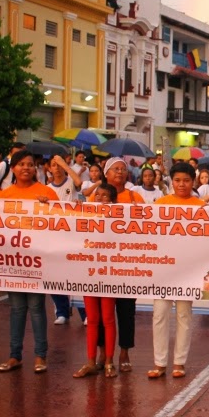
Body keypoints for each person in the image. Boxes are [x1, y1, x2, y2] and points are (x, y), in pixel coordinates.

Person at [0, 149, 57, 373]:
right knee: (17, 308)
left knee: (36, 307)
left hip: (37, 260)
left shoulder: (46, 193)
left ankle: (40, 356)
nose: (26, 168)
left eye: (30, 164)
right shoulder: (4, 195)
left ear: (36, 169)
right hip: (13, 260)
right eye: (21, 164)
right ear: (13, 168)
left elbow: (60, 223)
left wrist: (48, 208)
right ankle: (15, 355)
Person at [148, 162, 205, 380]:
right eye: (178, 180)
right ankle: (159, 363)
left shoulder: (201, 206)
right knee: (159, 314)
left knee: (184, 315)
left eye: (186, 180)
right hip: (164, 268)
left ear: (194, 182)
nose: (182, 184)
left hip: (188, 270)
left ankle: (179, 362)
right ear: (171, 181)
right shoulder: (160, 204)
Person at [98, 157, 145, 372]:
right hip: (101, 261)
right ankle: (103, 351)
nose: (119, 172)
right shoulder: (97, 196)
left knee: (126, 310)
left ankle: (124, 351)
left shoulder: (135, 197)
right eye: (115, 169)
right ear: (106, 173)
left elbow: (148, 224)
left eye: (123, 169)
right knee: (101, 311)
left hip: (127, 261)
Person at [72, 182, 120, 379]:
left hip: (109, 273)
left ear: (113, 201)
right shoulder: (85, 214)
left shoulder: (119, 218)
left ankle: (109, 361)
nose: (99, 199)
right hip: (89, 273)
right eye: (97, 195)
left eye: (105, 196)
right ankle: (91, 362)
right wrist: (75, 210)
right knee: (92, 319)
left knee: (108, 318)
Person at [46, 155, 83, 325]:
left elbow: (79, 182)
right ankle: (62, 311)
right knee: (55, 274)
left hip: (72, 234)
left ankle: (83, 312)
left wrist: (65, 165)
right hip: (54, 236)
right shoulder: (47, 189)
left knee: (76, 274)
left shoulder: (70, 183)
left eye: (59, 165)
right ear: (49, 169)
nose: (57, 168)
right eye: (54, 165)